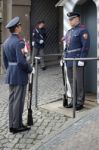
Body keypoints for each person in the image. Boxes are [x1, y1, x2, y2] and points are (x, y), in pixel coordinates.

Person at [3, 16, 33, 133]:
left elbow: (4, 61)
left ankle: (12, 124)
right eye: (19, 26)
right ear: (16, 28)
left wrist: (10, 70)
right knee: (18, 100)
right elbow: (21, 62)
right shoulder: (19, 42)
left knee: (12, 100)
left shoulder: (6, 42)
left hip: (11, 73)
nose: (21, 27)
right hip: (20, 74)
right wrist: (30, 69)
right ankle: (17, 125)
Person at [62, 12, 90, 110]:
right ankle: (73, 100)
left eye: (71, 19)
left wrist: (82, 59)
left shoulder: (82, 30)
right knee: (71, 81)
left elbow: (85, 46)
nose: (69, 21)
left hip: (77, 59)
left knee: (79, 82)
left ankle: (79, 102)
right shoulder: (69, 32)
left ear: (77, 19)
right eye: (69, 19)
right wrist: (64, 57)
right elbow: (67, 46)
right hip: (69, 59)